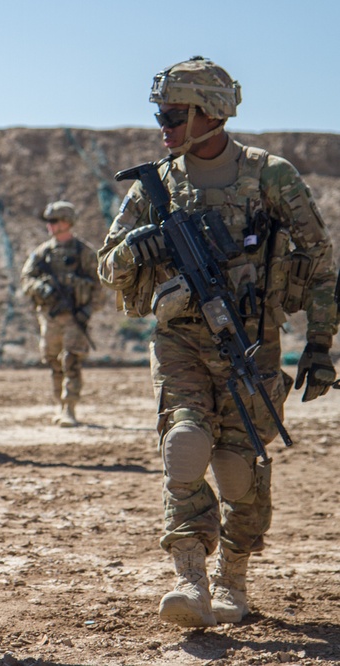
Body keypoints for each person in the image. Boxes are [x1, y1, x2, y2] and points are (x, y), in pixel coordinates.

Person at [98, 56, 338, 628]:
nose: (164, 125)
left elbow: (322, 262)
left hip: (252, 344)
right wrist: (145, 247)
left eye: (174, 114)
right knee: (184, 443)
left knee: (238, 464)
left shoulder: (270, 175)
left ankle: (233, 579)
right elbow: (108, 264)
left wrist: (321, 346)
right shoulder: (158, 184)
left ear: (211, 112)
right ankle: (189, 576)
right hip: (179, 339)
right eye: (161, 113)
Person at [20, 201, 100, 427]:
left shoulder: (83, 252)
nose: (50, 225)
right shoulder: (42, 253)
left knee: (71, 360)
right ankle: (60, 404)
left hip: (75, 318)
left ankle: (70, 408)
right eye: (49, 221)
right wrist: (41, 288)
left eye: (54, 221)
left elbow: (99, 285)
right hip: (50, 318)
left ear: (67, 222)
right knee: (54, 362)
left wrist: (88, 310)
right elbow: (26, 279)